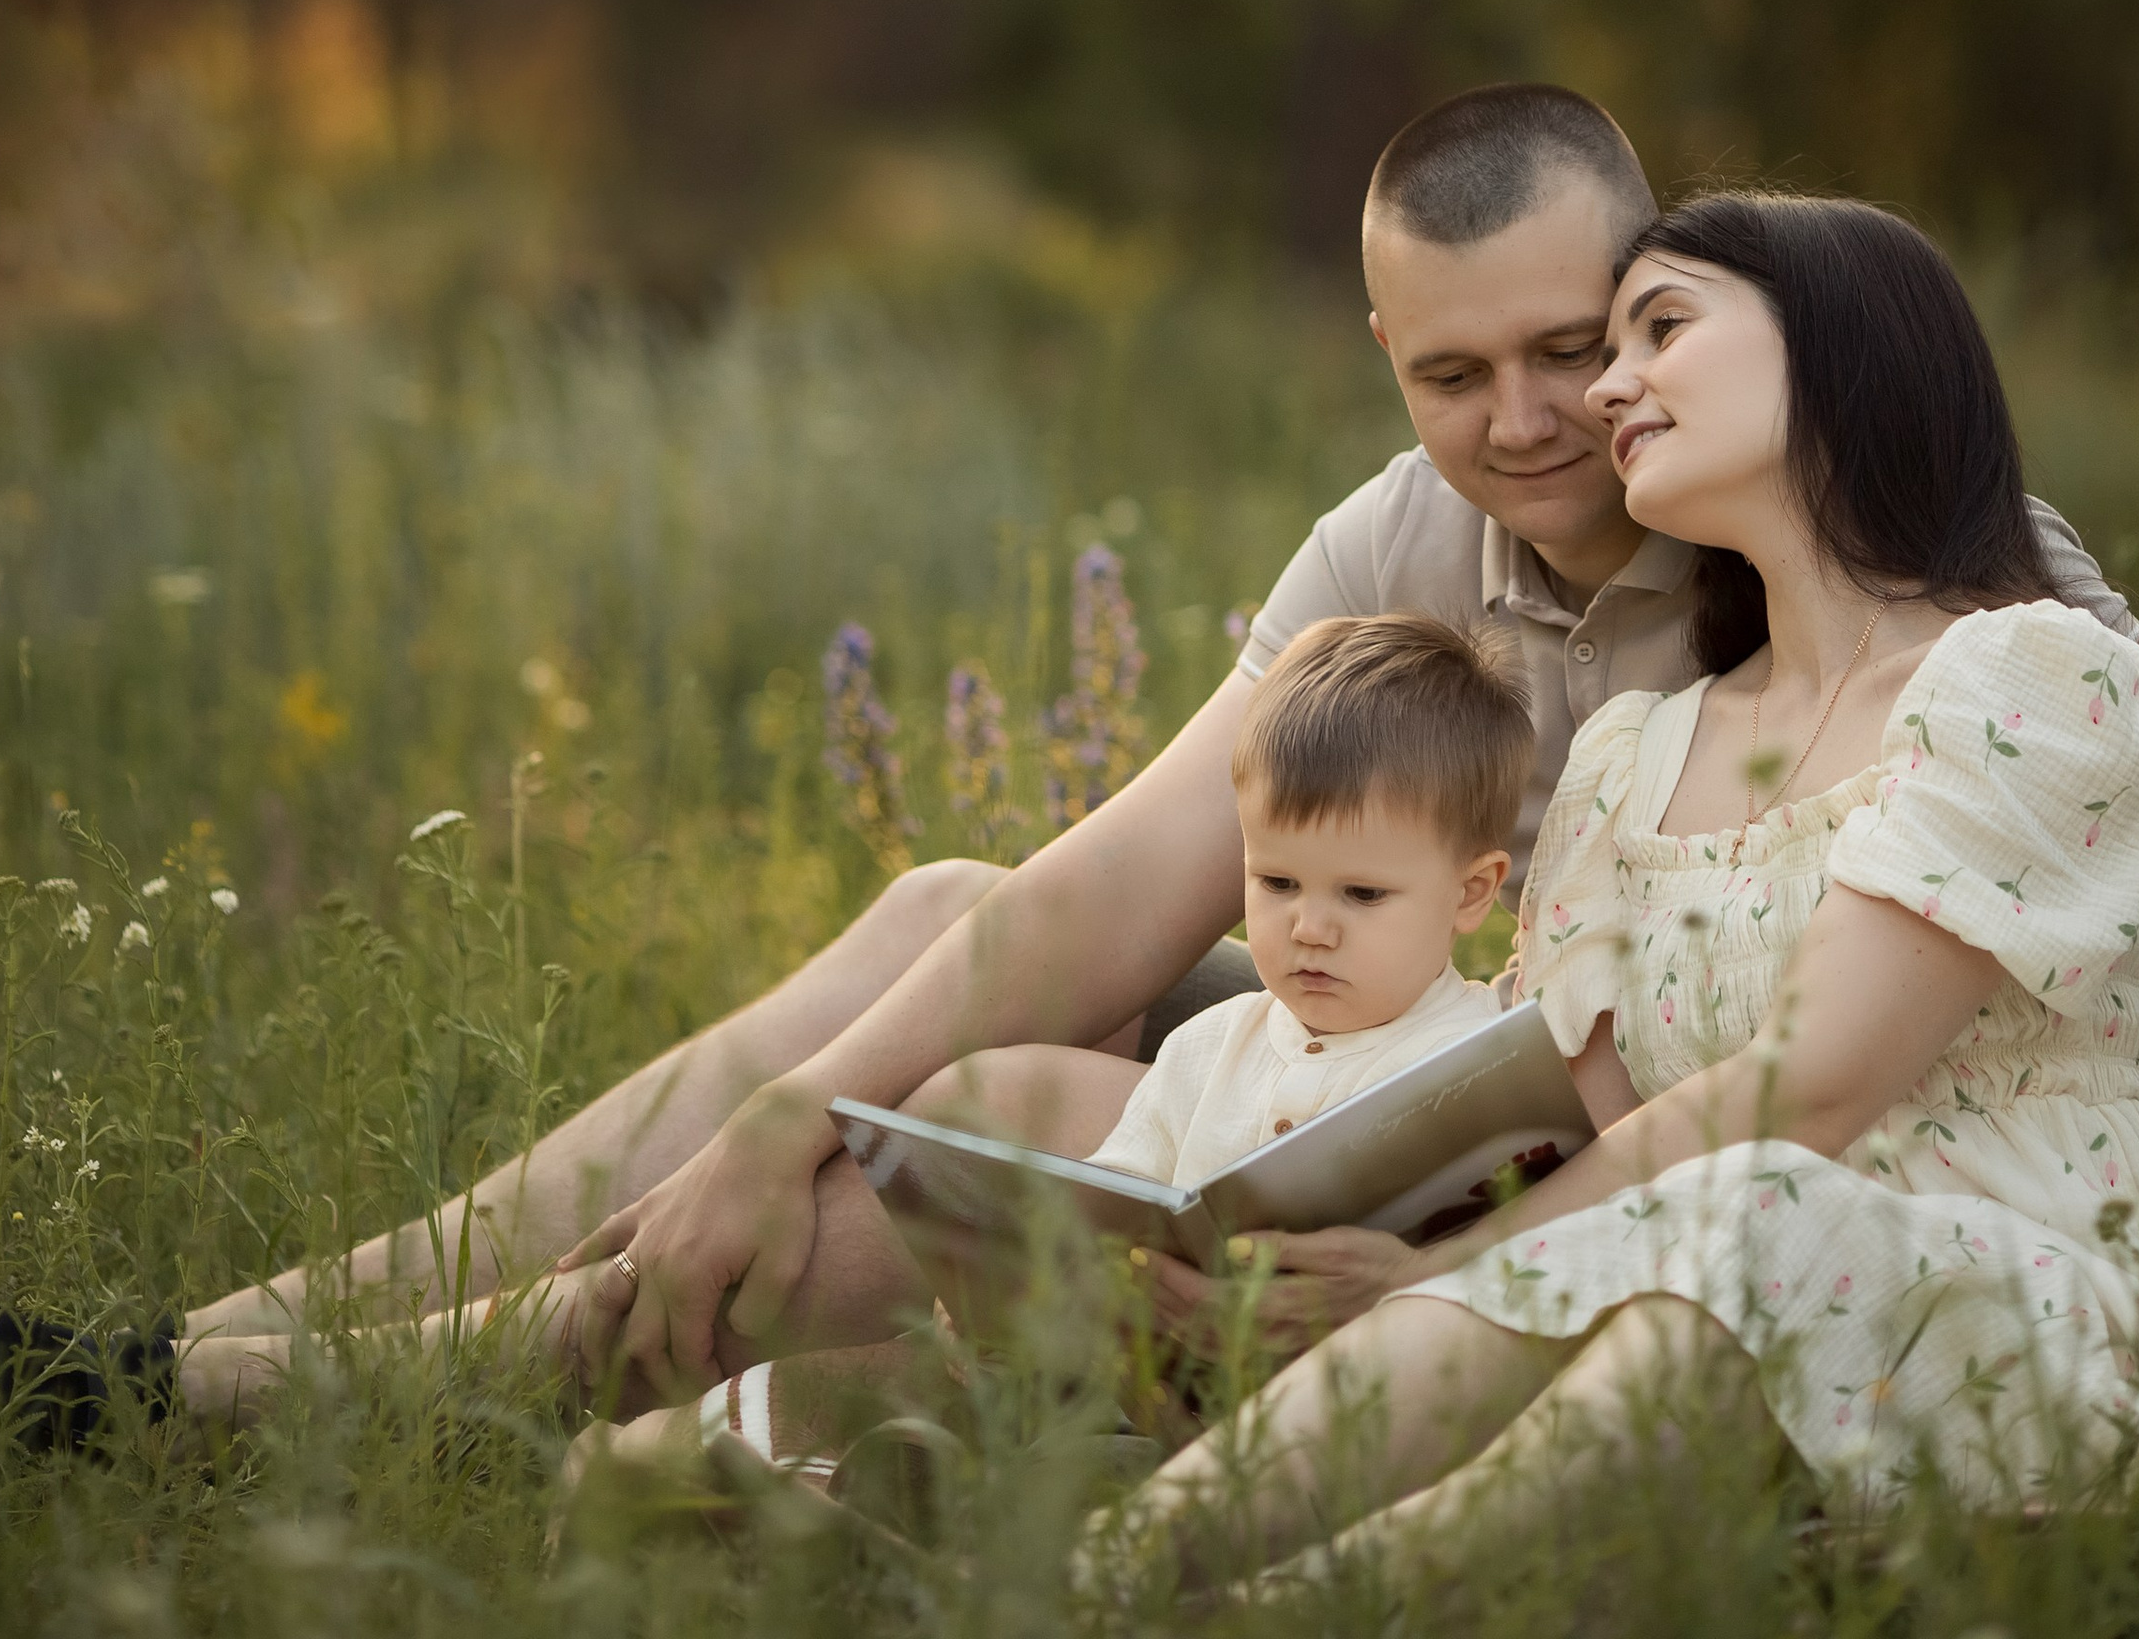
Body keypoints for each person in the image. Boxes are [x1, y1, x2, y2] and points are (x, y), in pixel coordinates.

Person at [176, 86, 2139, 1435]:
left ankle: (377, 1405)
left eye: (1578, 349)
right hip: (1435, 1053)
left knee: (1017, 1122)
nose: (1522, 422)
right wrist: (778, 1114)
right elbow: (1123, 891)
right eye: (1446, 372)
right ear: (1387, 361)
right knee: (954, 940)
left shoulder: (1920, 553)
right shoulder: (1400, 532)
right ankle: (262, 1341)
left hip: (1666, 1153)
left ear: (1673, 302)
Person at [1092, 194, 2139, 1602]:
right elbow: (1580, 1136)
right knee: (1663, 1250)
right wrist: (1334, 1244)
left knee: (1750, 1212)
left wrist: (1455, 1266)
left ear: (1842, 353)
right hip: (1713, 1295)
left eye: (1659, 329)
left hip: (2048, 1330)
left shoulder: (2034, 679)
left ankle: (1299, 1613)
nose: (1607, 386)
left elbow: (1813, 1088)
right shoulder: (1630, 761)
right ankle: (1104, 1579)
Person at [559, 610, 1532, 1502]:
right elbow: (1109, 1196)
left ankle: (844, 1501)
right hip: (1135, 1385)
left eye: (1361, 897)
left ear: (1469, 892)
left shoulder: (1474, 1067)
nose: (1308, 929)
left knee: (1076, 1477)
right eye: (1275, 881)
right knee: (963, 1398)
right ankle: (700, 1470)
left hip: (1347, 1420)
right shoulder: (1210, 1049)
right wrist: (1019, 1277)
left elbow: (1517, 1250)